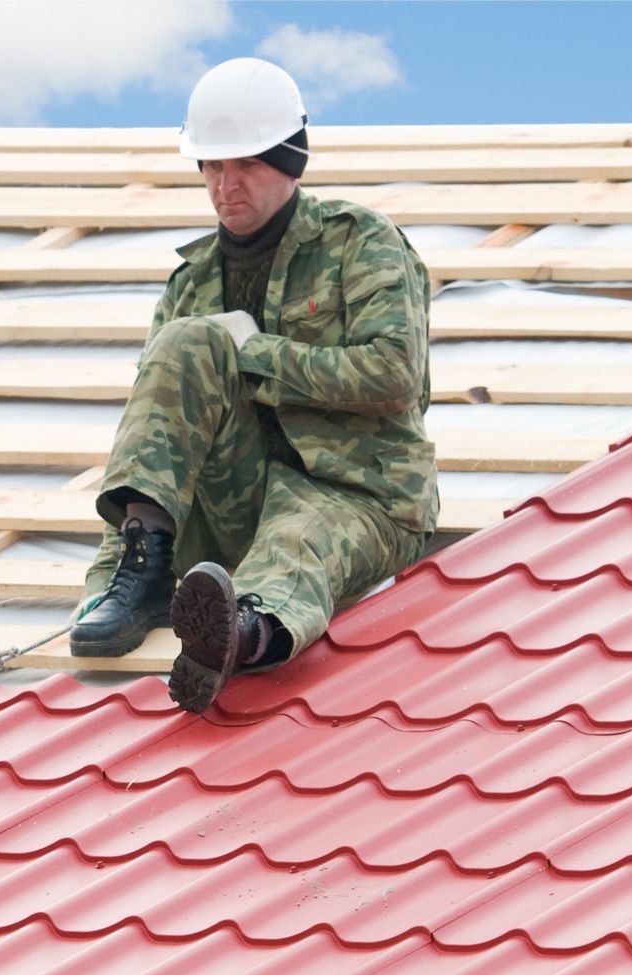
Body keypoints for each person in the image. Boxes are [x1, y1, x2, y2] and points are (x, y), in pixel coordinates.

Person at [67, 56, 440, 713]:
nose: (224, 185)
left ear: (287, 161)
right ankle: (148, 575)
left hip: (356, 491)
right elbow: (158, 439)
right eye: (211, 166)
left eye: (243, 165)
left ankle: (241, 634)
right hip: (236, 498)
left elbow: (392, 377)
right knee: (183, 343)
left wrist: (255, 354)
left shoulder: (359, 244)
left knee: (298, 537)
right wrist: (110, 578)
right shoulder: (189, 283)